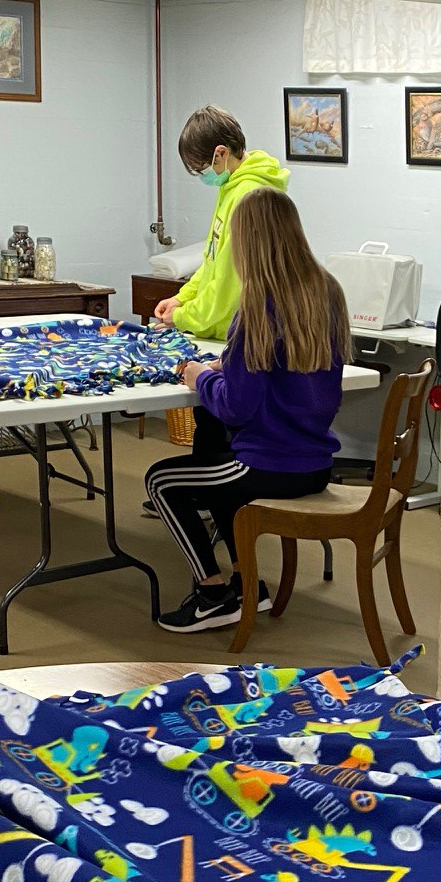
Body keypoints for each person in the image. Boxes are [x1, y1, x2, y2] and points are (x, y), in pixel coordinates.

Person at [146, 189, 348, 633]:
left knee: (162, 481)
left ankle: (213, 593)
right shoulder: (327, 291)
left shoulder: (259, 305)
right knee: (217, 475)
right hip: (315, 462)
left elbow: (235, 407)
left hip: (268, 463)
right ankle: (247, 584)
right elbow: (280, 371)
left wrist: (199, 374)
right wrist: (230, 364)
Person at [153, 106, 291, 340]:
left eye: (202, 169)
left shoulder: (248, 195)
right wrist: (182, 298)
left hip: (243, 336)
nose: (203, 176)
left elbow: (229, 285)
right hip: (226, 331)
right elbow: (212, 261)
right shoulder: (231, 187)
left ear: (221, 153)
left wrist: (183, 316)